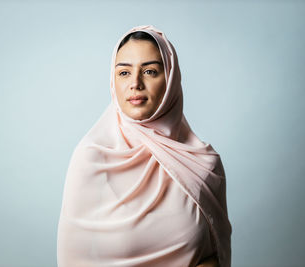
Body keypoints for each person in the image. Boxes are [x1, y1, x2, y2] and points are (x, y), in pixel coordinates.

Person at [57, 25, 232, 267]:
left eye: (149, 71)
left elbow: (214, 256)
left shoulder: (203, 165)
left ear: (171, 79)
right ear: (113, 80)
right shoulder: (92, 158)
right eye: (124, 73)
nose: (135, 83)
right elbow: (75, 258)